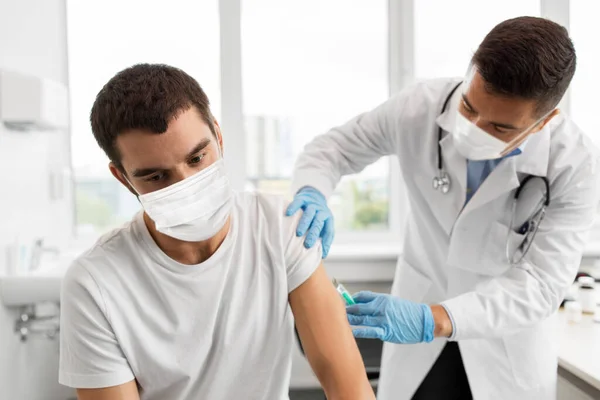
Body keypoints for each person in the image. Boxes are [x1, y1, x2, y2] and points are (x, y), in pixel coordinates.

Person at [286, 16, 600, 400]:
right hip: (420, 328)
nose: (474, 127)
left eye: (499, 127)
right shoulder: (419, 107)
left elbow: (542, 285)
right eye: (468, 107)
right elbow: (331, 150)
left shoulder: (573, 163)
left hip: (503, 344)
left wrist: (433, 318)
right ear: (471, 71)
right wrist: (312, 192)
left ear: (544, 121)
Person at [58, 64, 376, 400]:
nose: (187, 185)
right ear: (123, 178)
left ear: (219, 137)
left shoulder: (278, 227)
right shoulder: (94, 284)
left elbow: (348, 386)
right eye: (156, 177)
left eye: (197, 158)